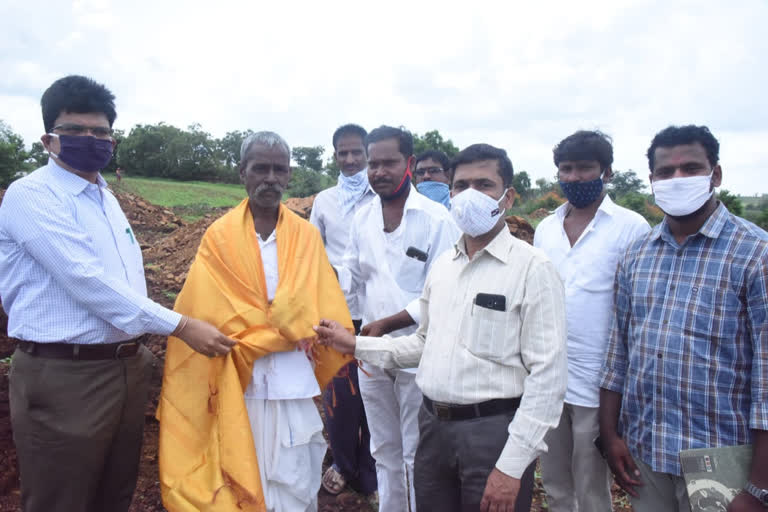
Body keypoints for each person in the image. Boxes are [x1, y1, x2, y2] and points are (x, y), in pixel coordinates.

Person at [0, 75, 235, 512]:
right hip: (65, 375)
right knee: (62, 499)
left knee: (114, 493)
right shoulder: (31, 195)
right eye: (75, 130)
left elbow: (123, 279)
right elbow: (85, 279)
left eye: (101, 131)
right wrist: (181, 325)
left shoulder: (104, 196)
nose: (91, 139)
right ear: (48, 139)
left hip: (125, 367)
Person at [317, 143, 568, 512]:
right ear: (450, 192)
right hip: (433, 430)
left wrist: (511, 467)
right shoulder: (445, 268)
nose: (470, 196)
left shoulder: (532, 269)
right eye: (461, 185)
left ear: (508, 196)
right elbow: (422, 344)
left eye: (484, 185)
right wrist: (353, 344)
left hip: (491, 435)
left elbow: (547, 379)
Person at [157, 131, 354, 512]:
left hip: (290, 381)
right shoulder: (218, 236)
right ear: (241, 173)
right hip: (234, 378)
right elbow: (204, 306)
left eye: (279, 169)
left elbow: (321, 304)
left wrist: (294, 326)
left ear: (289, 175)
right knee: (235, 475)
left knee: (294, 479)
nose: (271, 178)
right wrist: (264, 328)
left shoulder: (307, 236)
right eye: (260, 168)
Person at [599, 125, 768, 512]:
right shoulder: (636, 254)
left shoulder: (756, 255)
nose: (677, 179)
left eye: (690, 168)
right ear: (652, 181)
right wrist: (610, 437)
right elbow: (617, 354)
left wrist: (760, 487)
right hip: (647, 448)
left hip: (722, 458)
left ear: (716, 175)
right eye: (666, 172)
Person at [335, 125, 460, 511]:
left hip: (417, 354)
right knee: (383, 447)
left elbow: (444, 291)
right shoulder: (362, 219)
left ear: (408, 163)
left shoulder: (437, 220)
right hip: (371, 352)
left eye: (388, 162)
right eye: (374, 164)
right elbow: (350, 279)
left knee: (415, 451)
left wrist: (387, 324)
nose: (378, 171)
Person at [534, 130, 650, 512]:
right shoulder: (546, 228)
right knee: (554, 480)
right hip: (548, 378)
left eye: (585, 168)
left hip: (598, 382)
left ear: (607, 172)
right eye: (566, 169)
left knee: (592, 485)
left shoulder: (631, 227)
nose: (574, 177)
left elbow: (639, 307)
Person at [309, 123, 377, 498]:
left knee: (373, 394)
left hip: (378, 316)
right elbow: (312, 254)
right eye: (342, 153)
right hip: (336, 313)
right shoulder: (324, 201)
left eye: (356, 153)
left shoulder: (382, 197)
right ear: (334, 155)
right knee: (338, 393)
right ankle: (342, 462)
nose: (350, 160)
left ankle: (370, 469)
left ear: (367, 154)